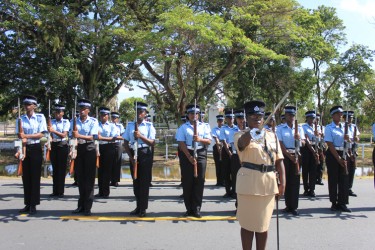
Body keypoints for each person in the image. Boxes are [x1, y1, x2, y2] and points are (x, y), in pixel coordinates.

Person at [234, 100, 285, 250]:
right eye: (253, 116)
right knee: (247, 225)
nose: (257, 119)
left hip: (268, 185)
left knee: (263, 225)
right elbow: (242, 145)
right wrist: (251, 133)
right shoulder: (240, 135)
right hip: (248, 186)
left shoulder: (271, 136)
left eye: (260, 116)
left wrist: (283, 183)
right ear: (246, 118)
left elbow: (279, 161)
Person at [175, 104, 212, 218]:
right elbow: (181, 143)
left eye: (196, 113)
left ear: (199, 115)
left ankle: (196, 208)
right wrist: (188, 156)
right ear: (188, 115)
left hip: (200, 153)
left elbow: (209, 141)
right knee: (187, 181)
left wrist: (199, 139)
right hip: (188, 153)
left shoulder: (204, 126)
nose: (194, 116)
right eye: (191, 113)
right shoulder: (183, 127)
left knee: (199, 181)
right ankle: (188, 208)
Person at [123, 102, 156, 217]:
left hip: (144, 153)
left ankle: (143, 208)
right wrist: (131, 157)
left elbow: (152, 142)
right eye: (137, 111)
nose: (139, 114)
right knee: (136, 182)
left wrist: (140, 136)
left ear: (145, 113)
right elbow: (125, 142)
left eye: (141, 112)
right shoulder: (130, 125)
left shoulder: (149, 126)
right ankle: (138, 206)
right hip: (133, 153)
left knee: (144, 182)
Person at [17, 95, 47, 215]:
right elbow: (18, 135)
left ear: (34, 106)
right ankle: (27, 203)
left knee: (35, 177)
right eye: (25, 104)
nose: (27, 106)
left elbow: (41, 134)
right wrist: (18, 148)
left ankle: (33, 204)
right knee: (26, 178)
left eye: (29, 104)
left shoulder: (40, 118)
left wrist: (27, 136)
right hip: (24, 148)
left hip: (35, 147)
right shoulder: (20, 119)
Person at [70, 99, 99, 216]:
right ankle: (80, 205)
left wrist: (79, 135)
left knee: (89, 180)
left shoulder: (93, 121)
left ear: (88, 110)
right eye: (80, 109)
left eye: (83, 109)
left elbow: (93, 137)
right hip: (78, 150)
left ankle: (88, 207)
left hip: (89, 149)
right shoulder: (74, 121)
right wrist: (72, 148)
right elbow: (70, 135)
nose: (81, 111)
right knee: (80, 180)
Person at [276, 106, 305, 216]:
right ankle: (288, 205)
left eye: (293, 115)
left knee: (295, 182)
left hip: (296, 154)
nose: (291, 117)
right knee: (286, 181)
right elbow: (280, 143)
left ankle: (294, 206)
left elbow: (303, 143)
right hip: (286, 156)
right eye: (289, 115)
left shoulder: (299, 128)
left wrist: (299, 139)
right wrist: (289, 155)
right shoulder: (280, 128)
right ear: (286, 116)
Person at [324, 106, 351, 212]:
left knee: (344, 179)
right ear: (333, 115)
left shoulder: (345, 127)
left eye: (341, 114)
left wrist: (348, 139)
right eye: (338, 114)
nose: (341, 116)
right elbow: (329, 144)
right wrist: (338, 158)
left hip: (343, 152)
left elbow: (349, 142)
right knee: (333, 179)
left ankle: (342, 203)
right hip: (333, 154)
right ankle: (334, 202)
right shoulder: (329, 128)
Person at [96, 107, 118, 198]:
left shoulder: (112, 125)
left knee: (107, 170)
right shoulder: (97, 125)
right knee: (100, 170)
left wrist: (101, 137)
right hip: (99, 147)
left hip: (109, 147)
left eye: (105, 115)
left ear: (108, 116)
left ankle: (105, 192)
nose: (103, 117)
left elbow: (113, 138)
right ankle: (100, 191)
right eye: (101, 115)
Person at [48, 104, 70, 198]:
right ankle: (55, 190)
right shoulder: (51, 122)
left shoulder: (66, 122)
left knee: (61, 169)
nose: (57, 114)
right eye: (56, 112)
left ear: (62, 113)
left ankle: (60, 191)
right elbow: (49, 134)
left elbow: (64, 135)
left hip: (62, 145)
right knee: (55, 169)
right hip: (54, 145)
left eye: (59, 112)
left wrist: (53, 130)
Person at [219, 109, 238, 198]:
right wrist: (229, 152)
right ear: (226, 119)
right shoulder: (223, 128)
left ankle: (234, 191)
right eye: (229, 118)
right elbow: (223, 140)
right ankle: (227, 191)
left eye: (232, 118)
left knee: (235, 172)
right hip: (226, 151)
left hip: (235, 150)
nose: (231, 119)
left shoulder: (237, 128)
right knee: (226, 171)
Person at [301, 111, 320, 197]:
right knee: (305, 170)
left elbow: (319, 139)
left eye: (313, 118)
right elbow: (306, 139)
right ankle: (306, 189)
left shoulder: (317, 127)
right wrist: (312, 151)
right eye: (310, 118)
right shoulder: (303, 127)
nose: (312, 120)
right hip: (306, 149)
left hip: (315, 147)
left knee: (313, 170)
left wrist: (318, 135)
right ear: (307, 118)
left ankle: (312, 189)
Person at [343, 111, 360, 197]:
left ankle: (349, 188)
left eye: (351, 118)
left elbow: (357, 138)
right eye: (349, 118)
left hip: (353, 148)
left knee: (352, 169)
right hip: (346, 149)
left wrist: (356, 138)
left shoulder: (354, 127)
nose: (350, 119)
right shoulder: (342, 126)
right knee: (346, 169)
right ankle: (343, 188)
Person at [110, 111, 125, 187]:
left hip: (118, 144)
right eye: (113, 117)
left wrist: (117, 137)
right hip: (110, 144)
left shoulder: (120, 126)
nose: (114, 119)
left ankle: (115, 180)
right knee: (110, 162)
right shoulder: (109, 125)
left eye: (115, 118)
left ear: (118, 119)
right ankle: (110, 179)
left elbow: (123, 136)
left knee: (117, 162)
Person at [211, 115, 224, 186]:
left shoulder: (225, 128)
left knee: (224, 165)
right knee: (218, 165)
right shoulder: (215, 129)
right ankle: (219, 181)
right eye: (219, 121)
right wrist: (219, 149)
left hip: (225, 147)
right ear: (217, 121)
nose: (220, 122)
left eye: (221, 121)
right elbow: (216, 140)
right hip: (217, 148)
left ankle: (225, 181)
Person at [315, 113, 325, 185]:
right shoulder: (313, 127)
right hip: (315, 145)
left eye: (318, 119)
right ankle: (314, 178)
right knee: (315, 163)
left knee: (321, 163)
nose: (317, 121)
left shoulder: (322, 127)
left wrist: (322, 134)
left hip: (321, 145)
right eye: (316, 119)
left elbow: (325, 136)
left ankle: (320, 178)